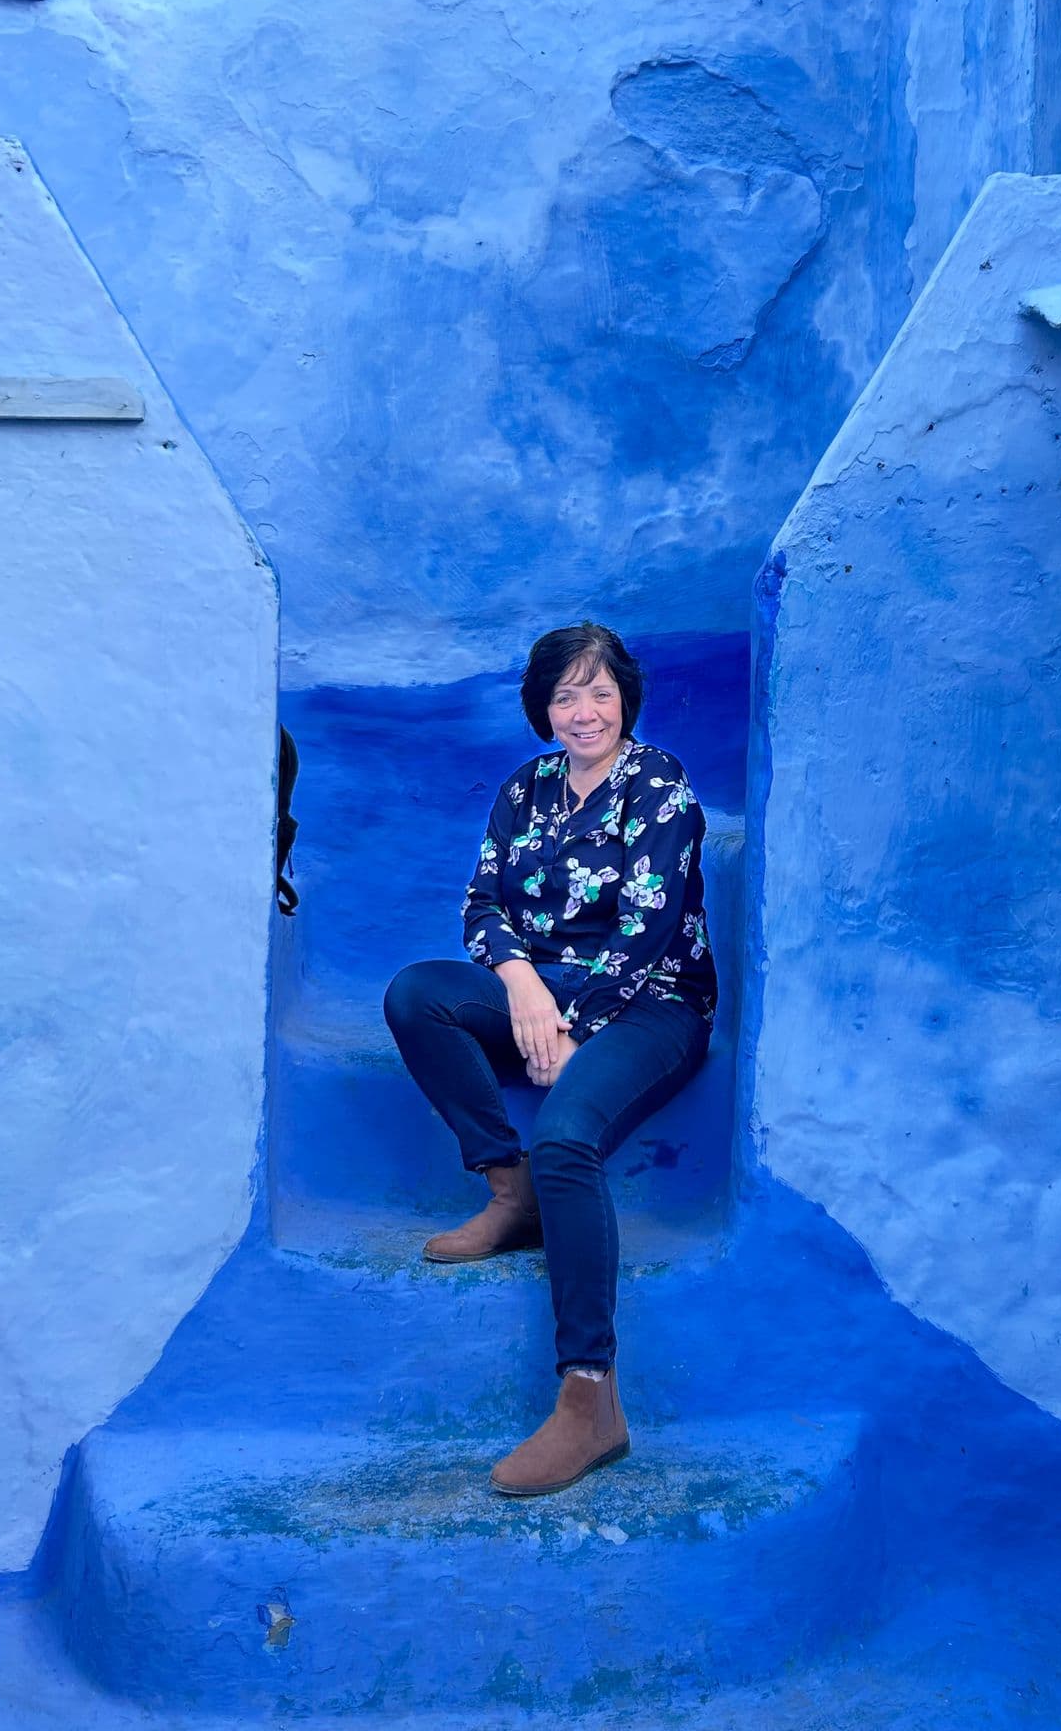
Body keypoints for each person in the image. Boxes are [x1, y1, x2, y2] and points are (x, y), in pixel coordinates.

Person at [383, 622, 717, 1497]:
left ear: (625, 700)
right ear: (543, 708)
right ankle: (507, 1186)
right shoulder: (524, 791)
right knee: (418, 994)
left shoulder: (660, 785)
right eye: (566, 695)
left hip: (652, 1006)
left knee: (569, 1138)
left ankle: (591, 1399)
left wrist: (570, 1023)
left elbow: (647, 933)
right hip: (552, 995)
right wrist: (527, 991)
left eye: (599, 692)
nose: (584, 711)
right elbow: (480, 905)